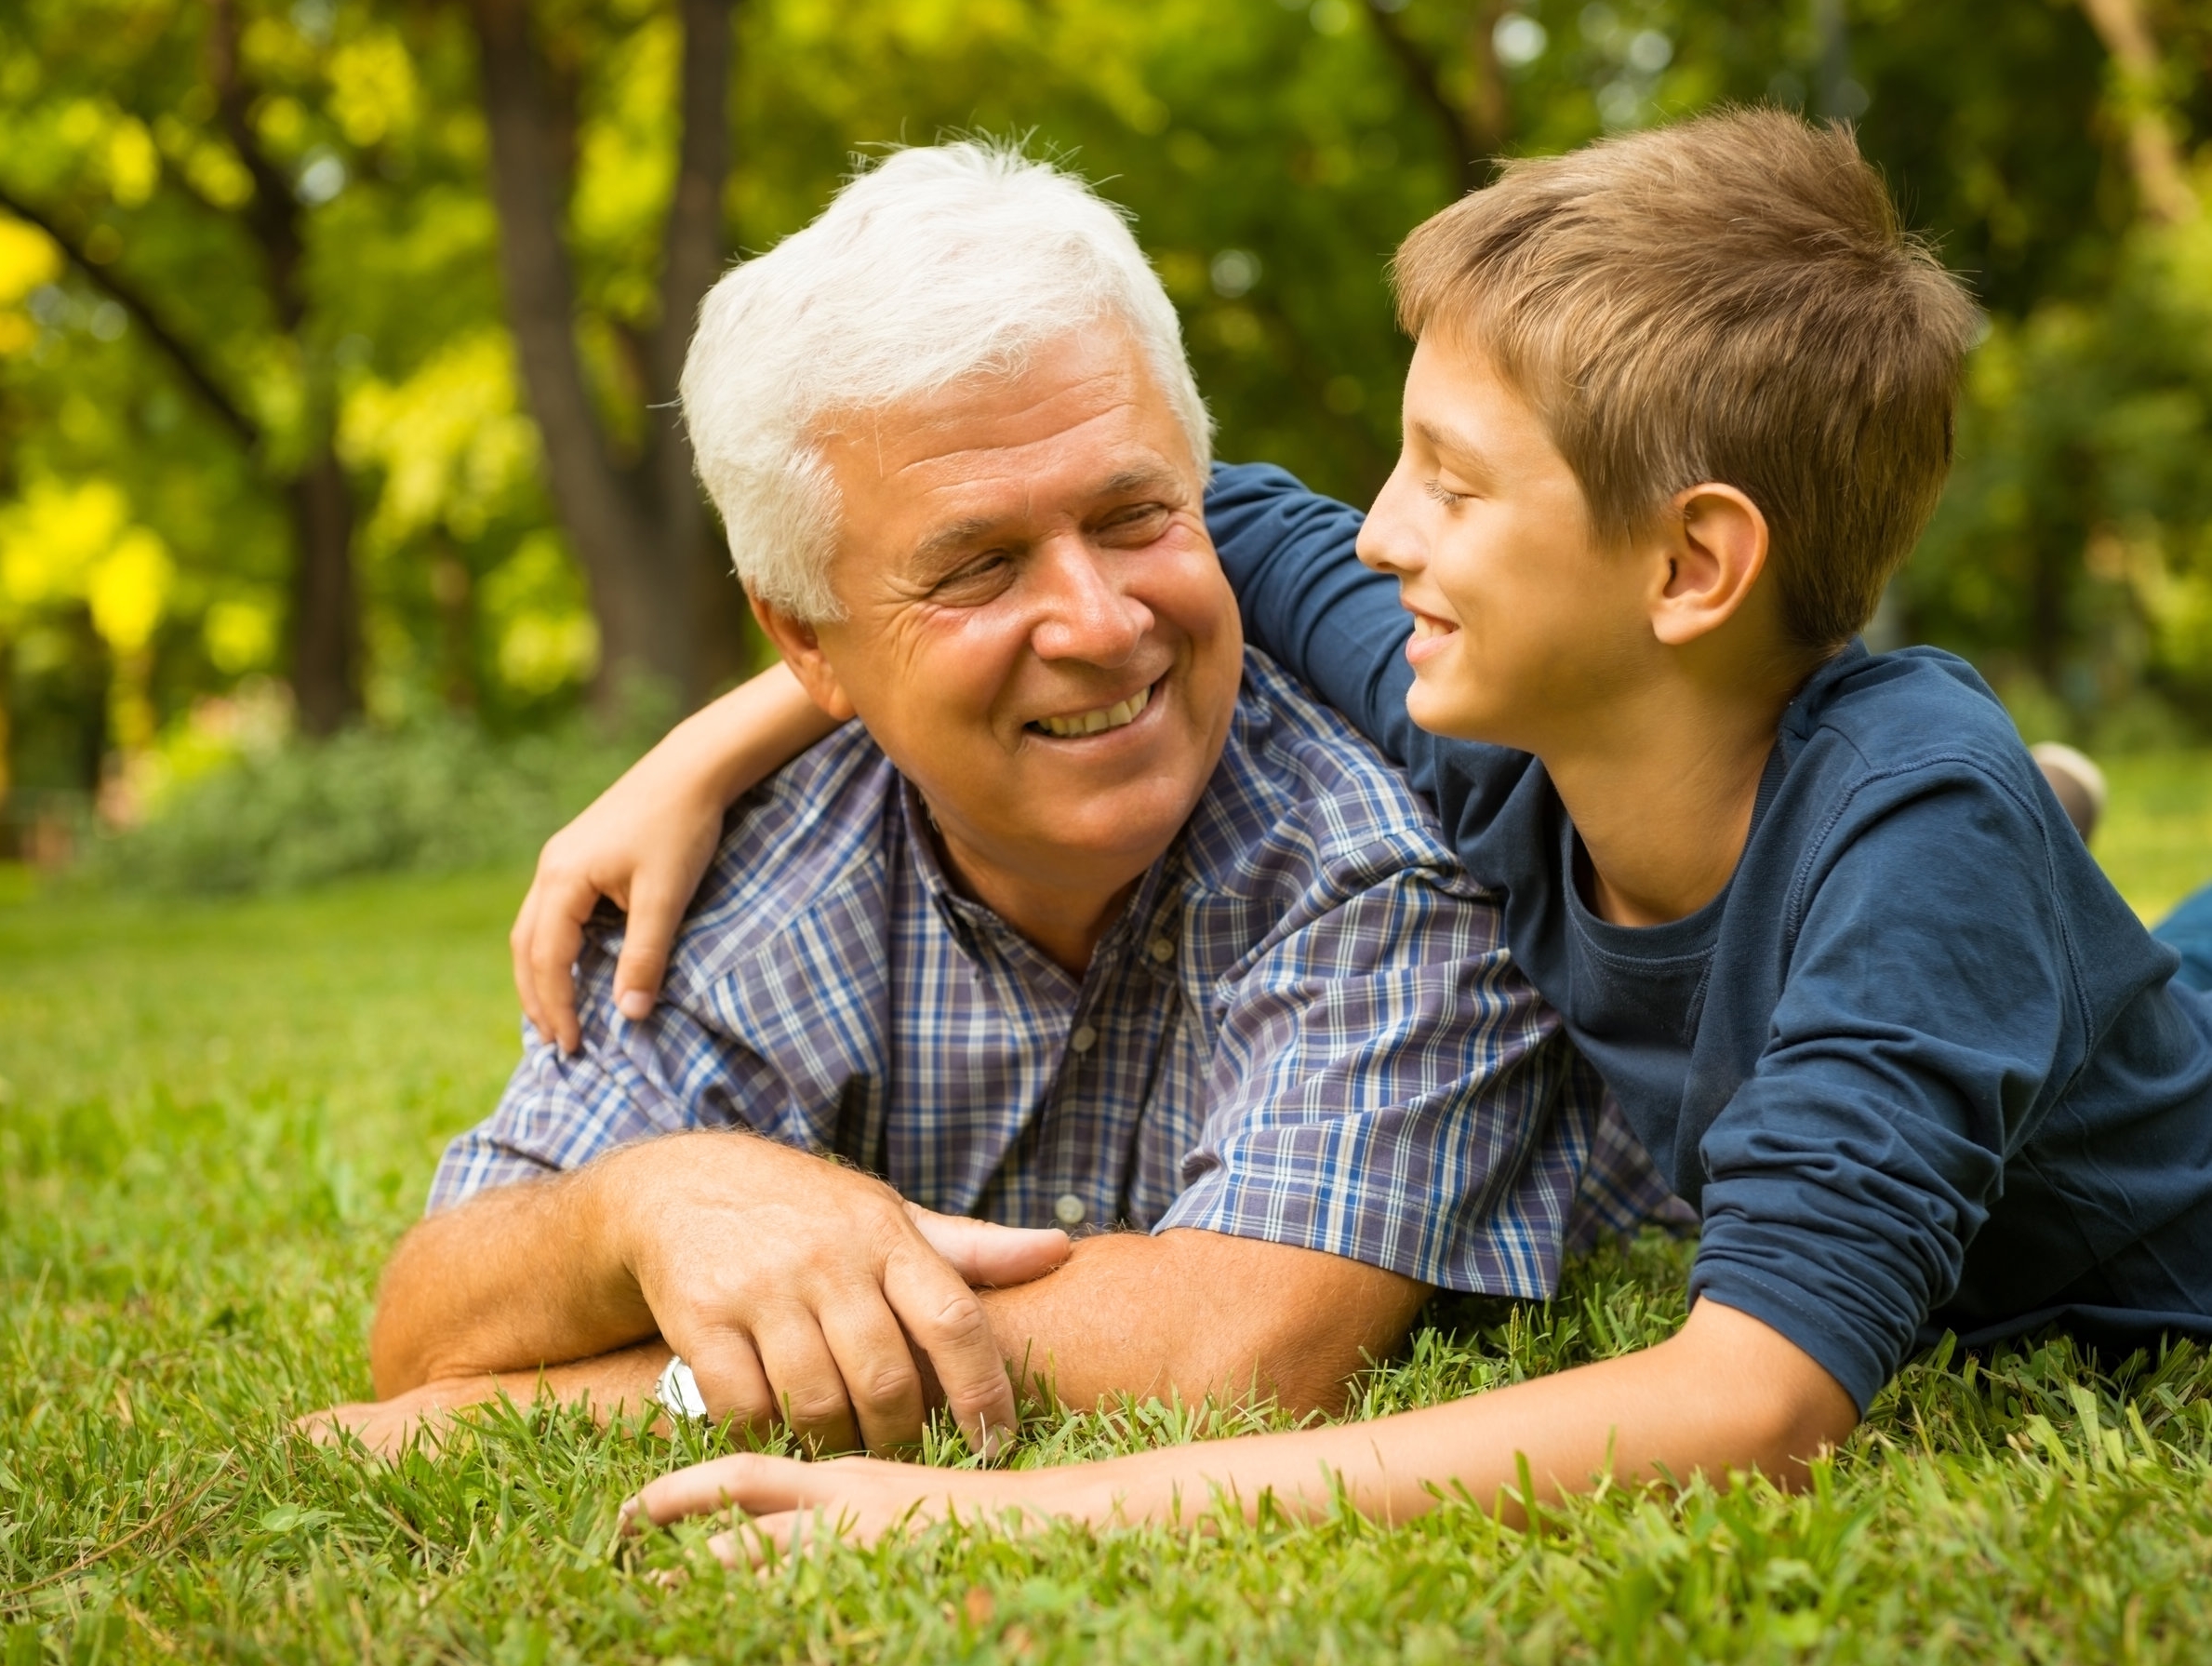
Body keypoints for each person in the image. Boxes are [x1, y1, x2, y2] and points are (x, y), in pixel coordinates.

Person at [522, 110, 2212, 1554]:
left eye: (1451, 485)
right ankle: (2052, 914)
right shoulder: (1484, 712)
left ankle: (2024, 893)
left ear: (1688, 569)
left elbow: (1750, 1398)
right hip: (1928, 876)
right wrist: (708, 743)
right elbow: (1193, 519)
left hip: (2149, 1224)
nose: (1384, 533)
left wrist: (990, 1513)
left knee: (1973, 879)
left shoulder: (1902, 814)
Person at [306, 144, 1669, 1463]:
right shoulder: (737, 878)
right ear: (807, 644)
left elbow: (1243, 1349)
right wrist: (648, 1201)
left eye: (1135, 515)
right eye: (975, 566)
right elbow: (429, 1319)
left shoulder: (1400, 829)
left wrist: (558, 1405)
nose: (1095, 622)